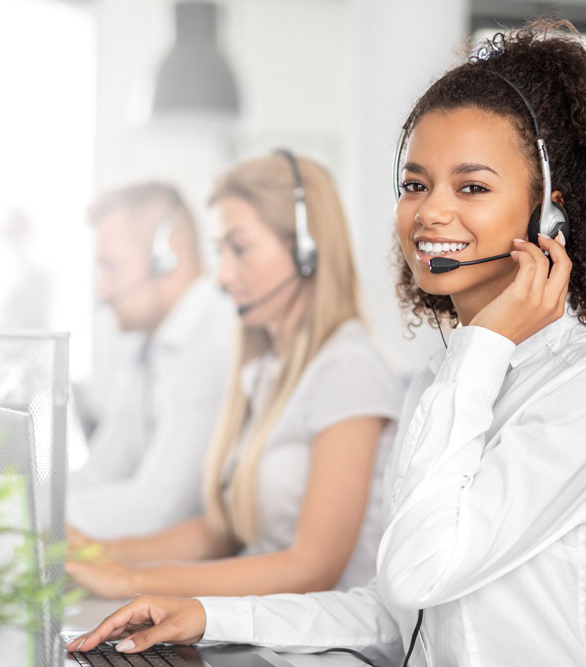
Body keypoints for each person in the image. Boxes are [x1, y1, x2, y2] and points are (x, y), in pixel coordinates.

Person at [68, 20, 586, 666]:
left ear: (546, 216)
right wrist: (203, 614)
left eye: (471, 186)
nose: (431, 212)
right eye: (416, 184)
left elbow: (422, 569)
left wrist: (487, 342)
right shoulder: (440, 381)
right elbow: (396, 609)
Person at [66, 152, 402, 598]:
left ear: (307, 251)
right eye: (220, 250)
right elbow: (224, 532)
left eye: (239, 249)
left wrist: (135, 580)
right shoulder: (267, 370)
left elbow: (312, 569)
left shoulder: (348, 370)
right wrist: (97, 556)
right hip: (263, 628)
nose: (222, 276)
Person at [68, 182, 234, 539]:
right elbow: (102, 471)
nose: (102, 290)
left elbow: (158, 508)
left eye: (111, 267)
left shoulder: (212, 342)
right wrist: (3, 505)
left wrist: (23, 519)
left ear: (166, 259)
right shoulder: (147, 342)